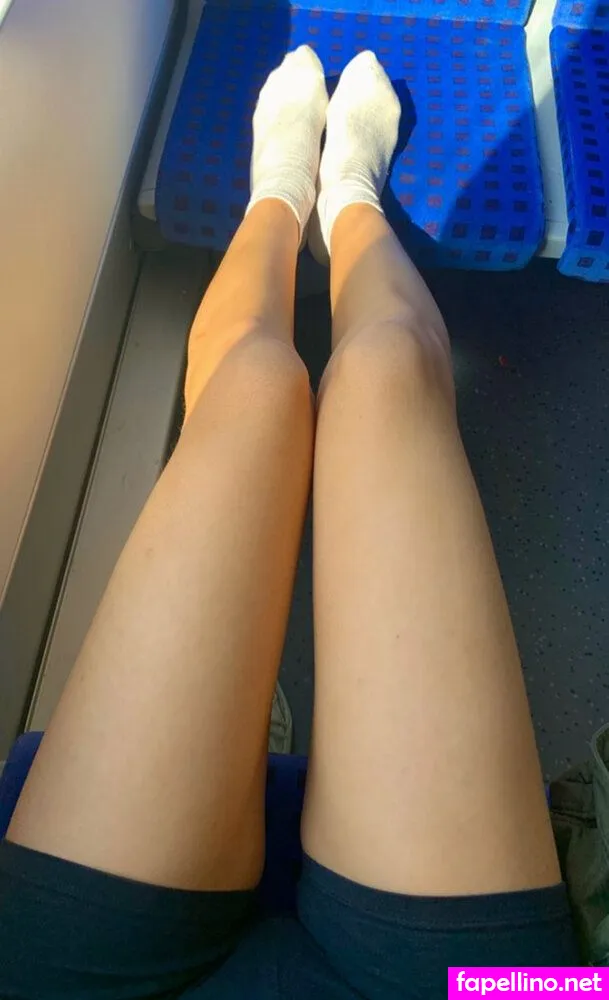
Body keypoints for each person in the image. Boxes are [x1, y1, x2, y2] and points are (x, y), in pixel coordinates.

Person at [0, 47, 579, 998]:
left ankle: (287, 190)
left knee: (258, 390)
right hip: (484, 989)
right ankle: (348, 194)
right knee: (390, 372)